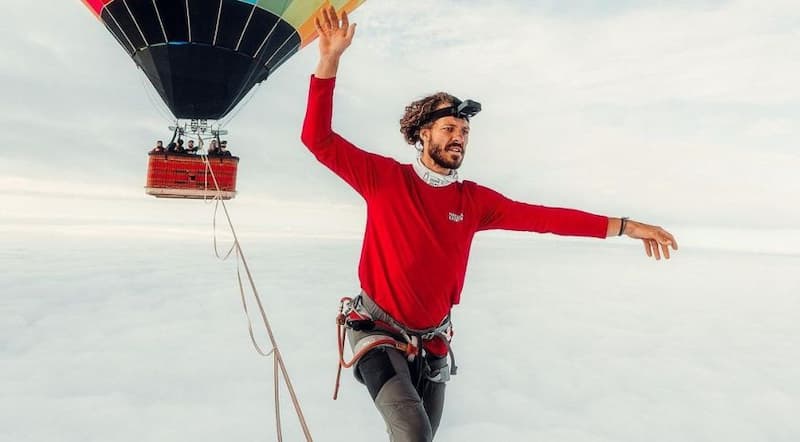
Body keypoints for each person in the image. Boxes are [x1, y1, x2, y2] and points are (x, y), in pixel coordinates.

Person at [302, 7, 678, 442]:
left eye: (464, 131)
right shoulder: (385, 179)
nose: (459, 136)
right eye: (448, 127)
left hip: (433, 343)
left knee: (418, 437)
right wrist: (328, 62)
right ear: (423, 134)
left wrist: (628, 226)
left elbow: (546, 219)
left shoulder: (475, 201)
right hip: (376, 330)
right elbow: (318, 139)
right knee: (412, 433)